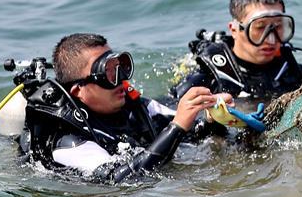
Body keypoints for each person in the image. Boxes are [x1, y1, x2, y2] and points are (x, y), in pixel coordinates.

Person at [18, 33, 230, 182]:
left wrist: (213, 119)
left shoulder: (136, 107)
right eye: (108, 74)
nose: (120, 81)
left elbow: (192, 132)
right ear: (78, 91)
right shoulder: (67, 141)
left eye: (120, 68)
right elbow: (120, 178)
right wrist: (177, 126)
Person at [171, 0, 302, 102]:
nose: (271, 39)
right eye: (260, 27)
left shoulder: (299, 75)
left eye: (278, 26)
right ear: (234, 30)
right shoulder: (207, 80)